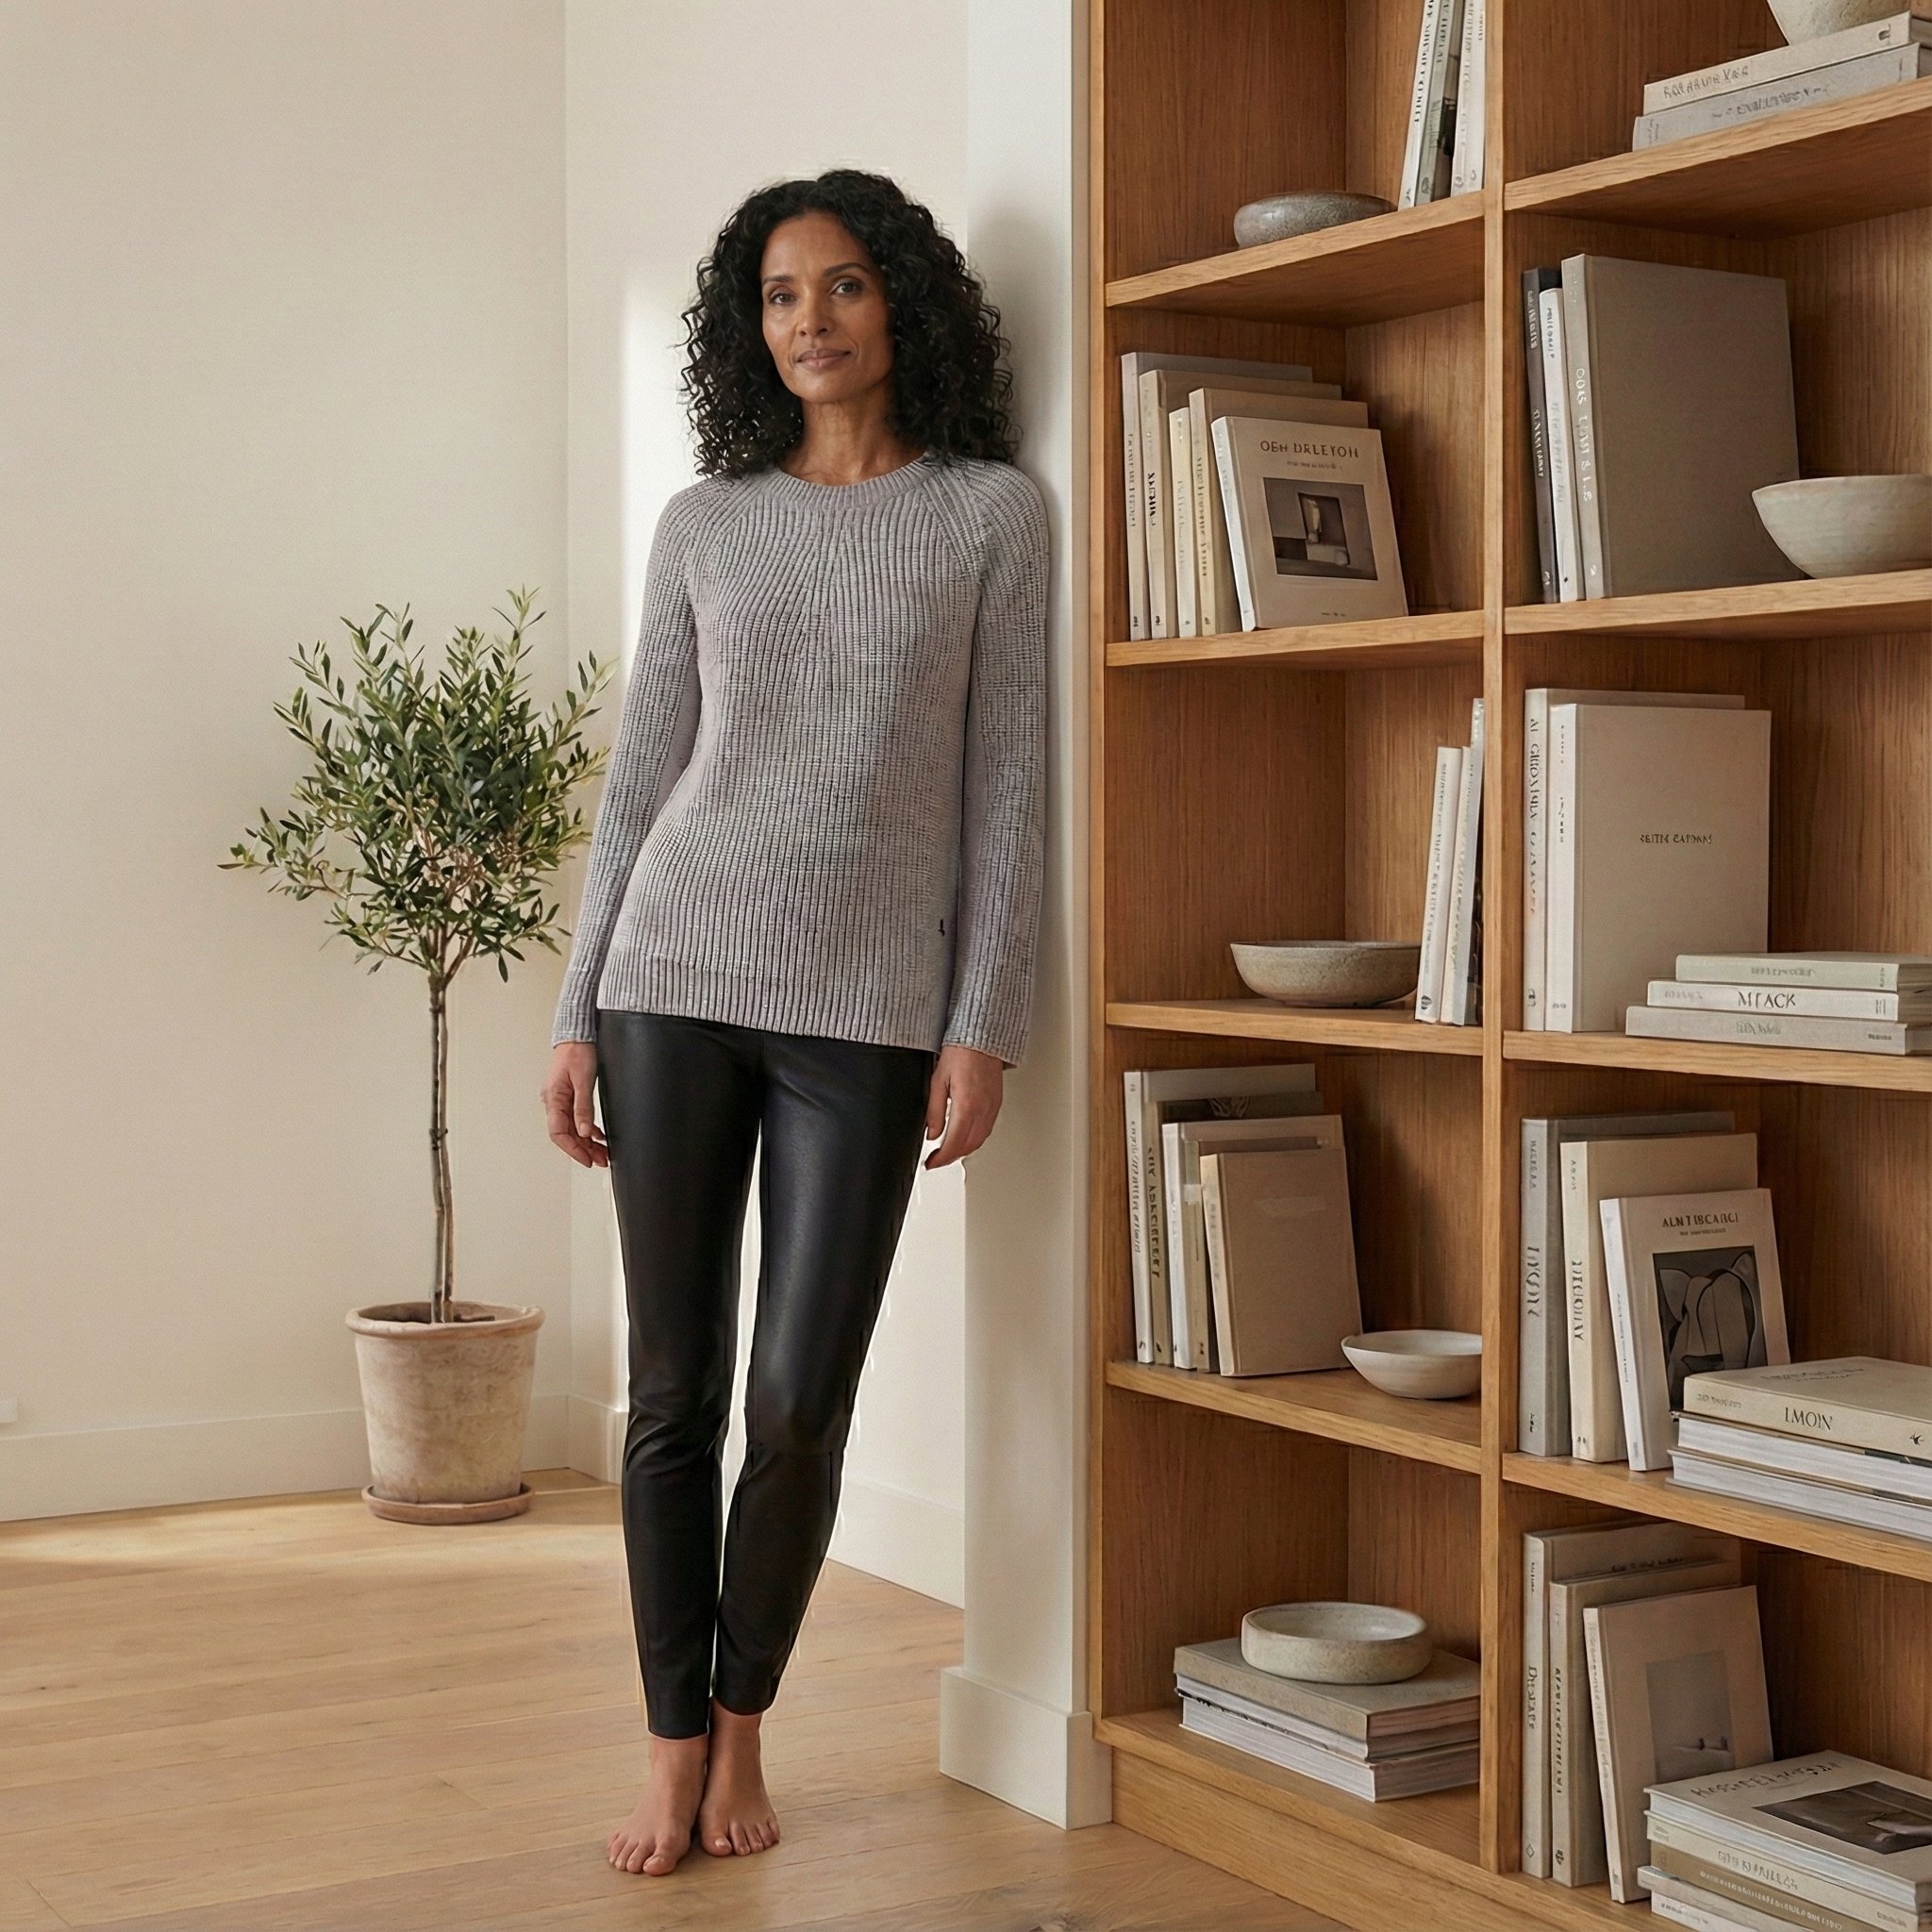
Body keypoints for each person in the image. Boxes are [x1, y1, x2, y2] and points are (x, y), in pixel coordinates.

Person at [540, 169, 1046, 1879]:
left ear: (901, 303)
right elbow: (637, 789)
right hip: (670, 979)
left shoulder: (992, 517)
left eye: (839, 287)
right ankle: (675, 1748)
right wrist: (572, 1009)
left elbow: (1010, 792)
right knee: (670, 1392)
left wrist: (986, 1017)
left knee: (800, 1397)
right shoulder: (707, 521)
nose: (809, 321)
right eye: (777, 296)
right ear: (745, 328)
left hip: (869, 1013)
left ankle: (750, 1716)